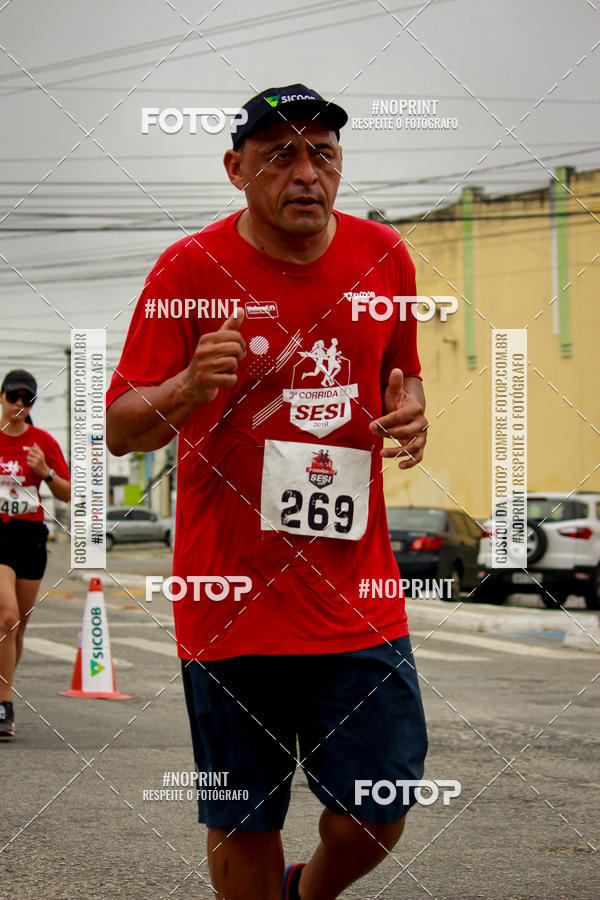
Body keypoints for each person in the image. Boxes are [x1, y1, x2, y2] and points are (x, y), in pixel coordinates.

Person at [107, 84, 429, 900]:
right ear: (236, 169)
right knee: (243, 820)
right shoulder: (189, 268)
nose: (306, 173)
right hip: (230, 600)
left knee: (379, 806)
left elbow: (404, 379)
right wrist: (185, 387)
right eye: (281, 154)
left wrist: (411, 412)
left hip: (355, 598)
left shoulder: (385, 257)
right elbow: (119, 427)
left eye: (323, 153)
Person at [0, 369, 71, 738]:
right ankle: (4, 704)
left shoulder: (42, 441)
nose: (19, 405)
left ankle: (1, 686)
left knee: (18, 627)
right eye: (13, 397)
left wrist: (44, 472)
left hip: (30, 537)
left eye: (26, 400)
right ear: (2, 398)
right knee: (6, 617)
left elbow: (67, 492)